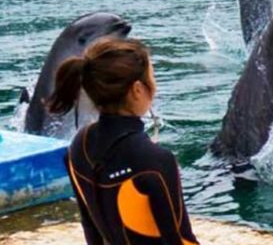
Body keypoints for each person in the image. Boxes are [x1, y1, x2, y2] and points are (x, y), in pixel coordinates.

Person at [47, 38, 198, 245]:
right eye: (152, 77)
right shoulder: (155, 160)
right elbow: (180, 240)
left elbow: (90, 228)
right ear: (137, 89)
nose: (155, 85)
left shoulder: (79, 144)